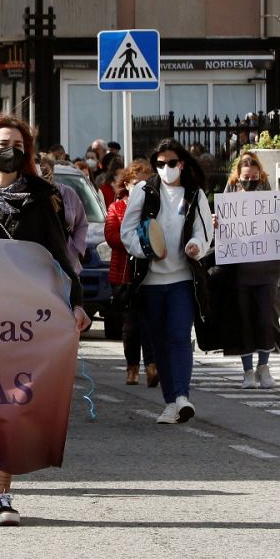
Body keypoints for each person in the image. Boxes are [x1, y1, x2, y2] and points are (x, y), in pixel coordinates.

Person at [0, 115, 89, 526]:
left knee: (12, 401)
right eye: (3, 142)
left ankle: (4, 495)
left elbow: (61, 258)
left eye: (19, 145)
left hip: (21, 319)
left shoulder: (43, 197)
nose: (11, 150)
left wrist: (75, 304)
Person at [122, 139, 213, 426]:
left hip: (182, 280)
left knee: (179, 336)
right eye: (160, 164)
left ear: (182, 163)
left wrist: (196, 245)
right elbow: (128, 231)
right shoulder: (144, 190)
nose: (165, 168)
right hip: (149, 282)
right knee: (159, 341)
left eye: (171, 163)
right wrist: (146, 249)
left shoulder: (195, 195)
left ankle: (182, 396)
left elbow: (204, 232)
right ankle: (171, 402)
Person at [219, 153, 280, 389]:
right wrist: (218, 223)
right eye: (246, 177)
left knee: (266, 318)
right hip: (240, 272)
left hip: (267, 270)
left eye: (254, 176)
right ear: (237, 178)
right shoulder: (228, 203)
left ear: (261, 176)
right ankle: (247, 371)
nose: (250, 180)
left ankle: (263, 367)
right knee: (244, 321)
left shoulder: (273, 201)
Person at [105, 161, 156, 388]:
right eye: (137, 184)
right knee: (131, 325)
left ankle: (152, 366)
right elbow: (112, 236)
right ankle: (132, 367)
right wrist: (136, 242)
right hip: (125, 274)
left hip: (149, 274)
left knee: (150, 323)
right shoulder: (116, 208)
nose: (141, 188)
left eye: (146, 184)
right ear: (127, 184)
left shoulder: (155, 208)